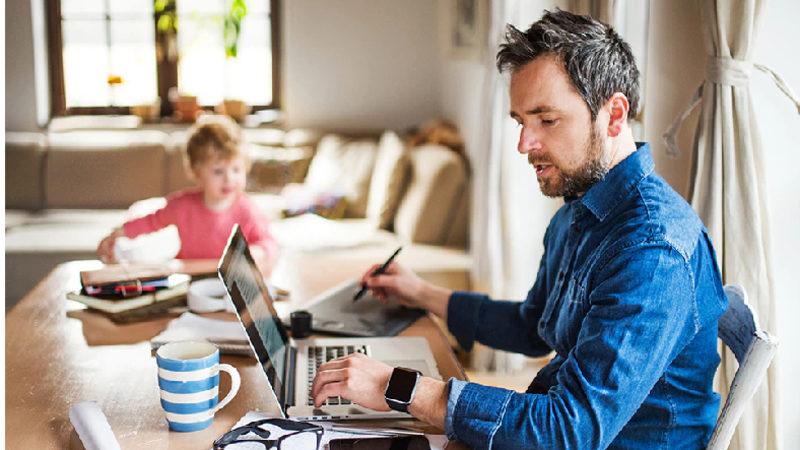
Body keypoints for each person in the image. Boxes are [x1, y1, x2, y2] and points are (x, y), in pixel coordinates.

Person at [311, 9, 727, 449]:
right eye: (520, 121)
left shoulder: (652, 249)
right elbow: (533, 327)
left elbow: (568, 430)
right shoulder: (579, 208)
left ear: (614, 115)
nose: (524, 144)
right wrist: (420, 293)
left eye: (546, 120)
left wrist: (400, 388)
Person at [97, 115, 278, 275]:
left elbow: (268, 243)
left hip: (229, 284)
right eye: (218, 171)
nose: (229, 178)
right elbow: (151, 221)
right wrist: (119, 233)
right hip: (188, 278)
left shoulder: (248, 211)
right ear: (197, 172)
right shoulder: (182, 205)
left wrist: (258, 252)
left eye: (236, 170)